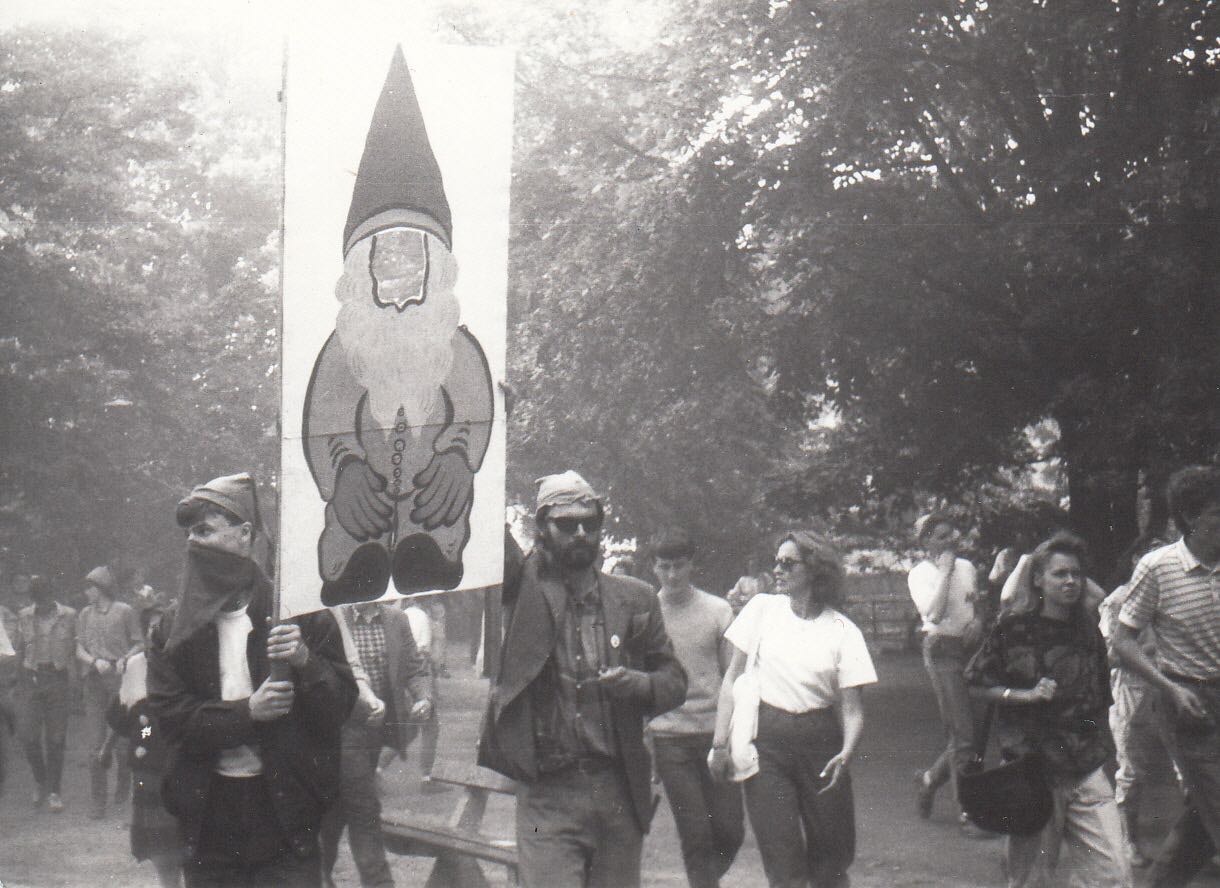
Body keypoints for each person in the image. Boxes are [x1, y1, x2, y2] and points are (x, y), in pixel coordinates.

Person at [478, 470, 687, 888]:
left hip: (618, 794)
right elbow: (488, 536)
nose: (580, 534)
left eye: (589, 525)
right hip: (547, 797)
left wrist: (637, 684)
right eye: (566, 524)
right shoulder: (522, 590)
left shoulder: (635, 598)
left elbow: (675, 681)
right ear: (541, 528)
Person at [147, 472, 357, 887]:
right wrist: (249, 713)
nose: (194, 543)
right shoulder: (173, 629)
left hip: (285, 817)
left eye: (205, 530)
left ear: (245, 535)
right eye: (189, 534)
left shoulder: (300, 615)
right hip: (209, 820)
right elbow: (169, 716)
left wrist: (304, 660)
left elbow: (338, 709)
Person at [710, 531, 878, 888]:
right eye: (777, 561)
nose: (778, 569)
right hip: (766, 745)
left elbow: (851, 709)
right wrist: (719, 743)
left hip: (822, 746)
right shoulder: (761, 609)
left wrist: (846, 753)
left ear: (815, 570)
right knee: (782, 860)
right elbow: (731, 680)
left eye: (788, 563)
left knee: (831, 860)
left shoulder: (843, 631)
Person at [966, 533, 1131, 888]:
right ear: (1038, 578)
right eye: (1059, 574)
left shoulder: (1088, 630)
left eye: (1076, 573)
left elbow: (1100, 698)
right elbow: (977, 683)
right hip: (1033, 773)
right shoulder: (1013, 627)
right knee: (1031, 879)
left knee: (1113, 874)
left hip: (1085, 767)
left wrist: (1103, 751)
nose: (1070, 581)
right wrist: (1022, 695)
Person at [1113, 465, 1220, 888]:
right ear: (1192, 518)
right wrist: (1170, 689)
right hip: (1187, 704)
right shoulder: (1158, 568)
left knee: (1203, 817)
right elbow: (1123, 642)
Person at [648, 527, 744, 888]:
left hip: (715, 735)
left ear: (692, 566)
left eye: (679, 566)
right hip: (669, 737)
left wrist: (728, 737)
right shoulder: (646, 613)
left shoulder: (718, 610)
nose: (672, 575)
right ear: (654, 568)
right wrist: (647, 739)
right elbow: (644, 680)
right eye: (664, 567)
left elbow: (733, 677)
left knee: (730, 830)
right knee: (697, 834)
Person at [321, 600, 433, 888]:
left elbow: (414, 668)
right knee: (361, 810)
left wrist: (423, 698)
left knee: (337, 810)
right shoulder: (335, 617)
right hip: (340, 730)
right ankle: (377, 882)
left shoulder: (396, 619)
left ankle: (319, 876)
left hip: (375, 734)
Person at [907, 511, 991, 837]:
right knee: (963, 733)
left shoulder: (968, 568)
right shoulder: (921, 574)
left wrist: (979, 621)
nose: (950, 540)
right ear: (926, 542)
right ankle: (969, 815)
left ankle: (929, 779)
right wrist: (944, 572)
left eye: (951, 533)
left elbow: (977, 604)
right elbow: (934, 613)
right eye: (941, 536)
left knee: (975, 734)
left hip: (974, 649)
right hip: (942, 651)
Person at [1097, 532, 1173, 869]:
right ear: (1136, 560)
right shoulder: (1119, 600)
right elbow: (1111, 655)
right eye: (1152, 555)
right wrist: (1146, 651)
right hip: (1132, 690)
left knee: (1191, 764)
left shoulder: (1171, 597)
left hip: (1172, 688)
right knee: (1131, 766)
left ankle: (1204, 838)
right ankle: (1128, 839)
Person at [105, 607, 182, 888]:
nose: (156, 635)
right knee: (163, 850)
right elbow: (121, 718)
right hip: (151, 762)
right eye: (151, 629)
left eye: (162, 629)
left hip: (183, 761)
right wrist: (144, 729)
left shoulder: (190, 661)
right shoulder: (137, 665)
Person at [77, 564, 143, 818]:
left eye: (90, 587)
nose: (86, 592)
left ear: (101, 589)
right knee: (95, 745)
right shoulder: (84, 615)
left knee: (122, 744)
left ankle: (124, 784)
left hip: (120, 684)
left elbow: (139, 643)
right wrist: (94, 661)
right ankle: (98, 801)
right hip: (94, 683)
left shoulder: (124, 611)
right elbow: (78, 649)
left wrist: (123, 659)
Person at [13, 573, 76, 813]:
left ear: (52, 596)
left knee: (56, 739)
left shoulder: (68, 616)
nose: (41, 604)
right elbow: (19, 648)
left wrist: (75, 680)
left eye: (44, 599)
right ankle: (41, 779)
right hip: (30, 679)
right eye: (36, 600)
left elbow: (75, 647)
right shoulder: (24, 616)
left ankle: (54, 791)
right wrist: (18, 681)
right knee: (28, 737)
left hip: (57, 679)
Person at [400, 595, 443, 790]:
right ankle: (426, 777)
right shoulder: (422, 618)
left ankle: (378, 769)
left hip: (403, 674)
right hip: (420, 673)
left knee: (409, 728)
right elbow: (425, 649)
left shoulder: (399, 615)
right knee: (430, 727)